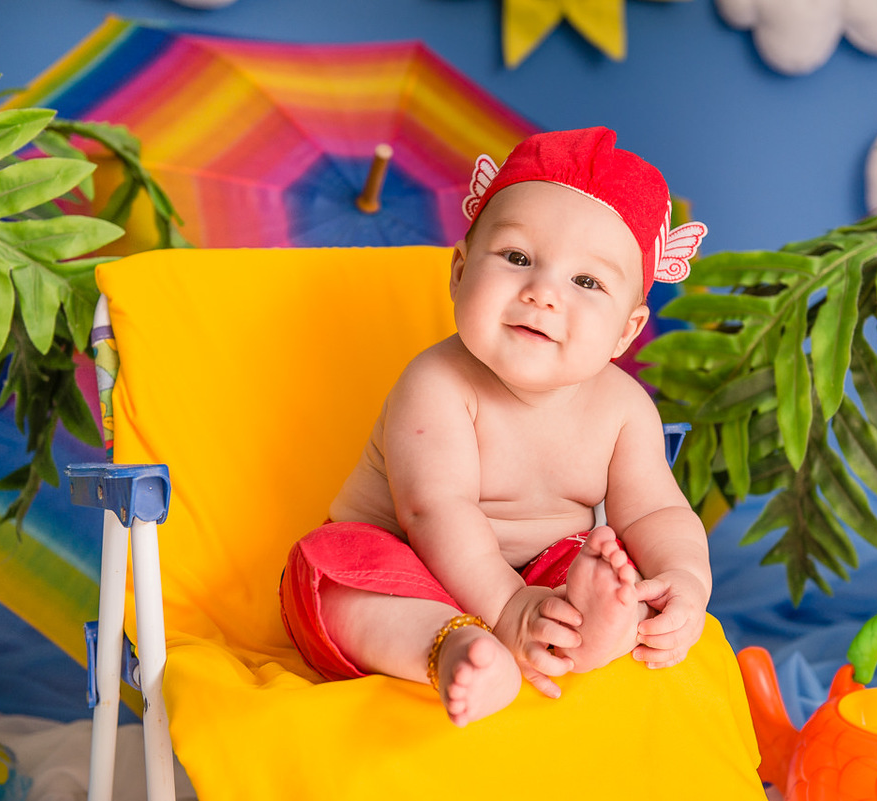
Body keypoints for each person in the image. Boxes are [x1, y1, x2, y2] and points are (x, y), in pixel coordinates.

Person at [280, 126, 711, 726]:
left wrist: (684, 579)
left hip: (538, 581)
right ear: (459, 273)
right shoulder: (437, 383)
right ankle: (450, 647)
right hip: (409, 569)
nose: (542, 294)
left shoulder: (625, 408)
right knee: (329, 568)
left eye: (586, 282)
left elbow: (656, 512)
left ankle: (597, 628)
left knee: (608, 566)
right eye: (517, 258)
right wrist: (506, 610)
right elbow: (434, 511)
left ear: (626, 330)